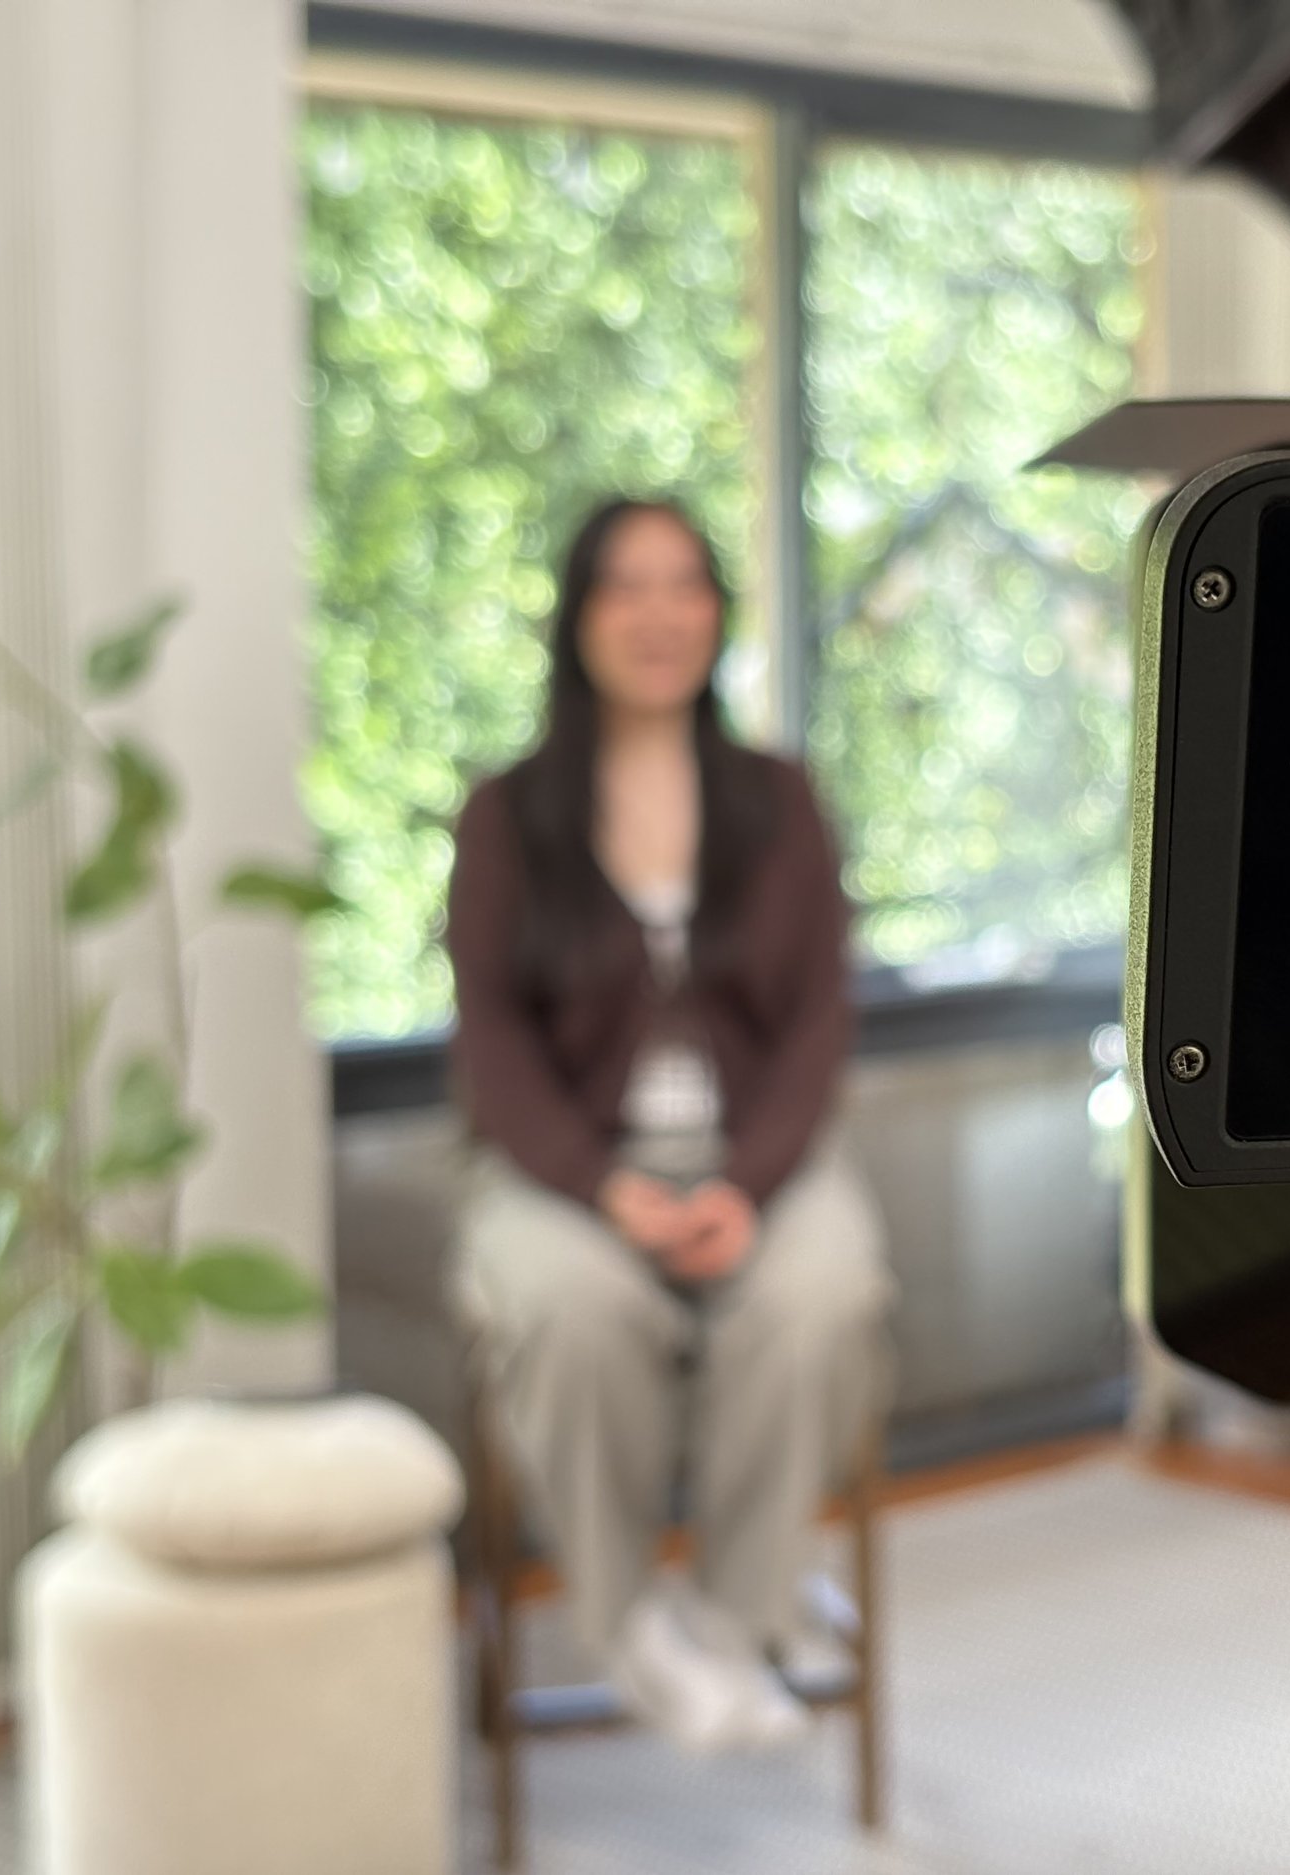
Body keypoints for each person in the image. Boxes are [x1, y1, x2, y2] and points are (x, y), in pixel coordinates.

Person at [446, 497, 891, 1754]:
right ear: (579, 618)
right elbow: (492, 1043)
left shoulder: (781, 801)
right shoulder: (508, 815)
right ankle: (631, 1623)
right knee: (572, 1309)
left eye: (684, 584)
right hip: (565, 1169)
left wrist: (743, 1184)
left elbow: (816, 1027)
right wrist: (603, 1187)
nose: (657, 614)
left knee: (822, 1290)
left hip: (761, 1157)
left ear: (716, 613)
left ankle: (738, 1615)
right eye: (624, 587)